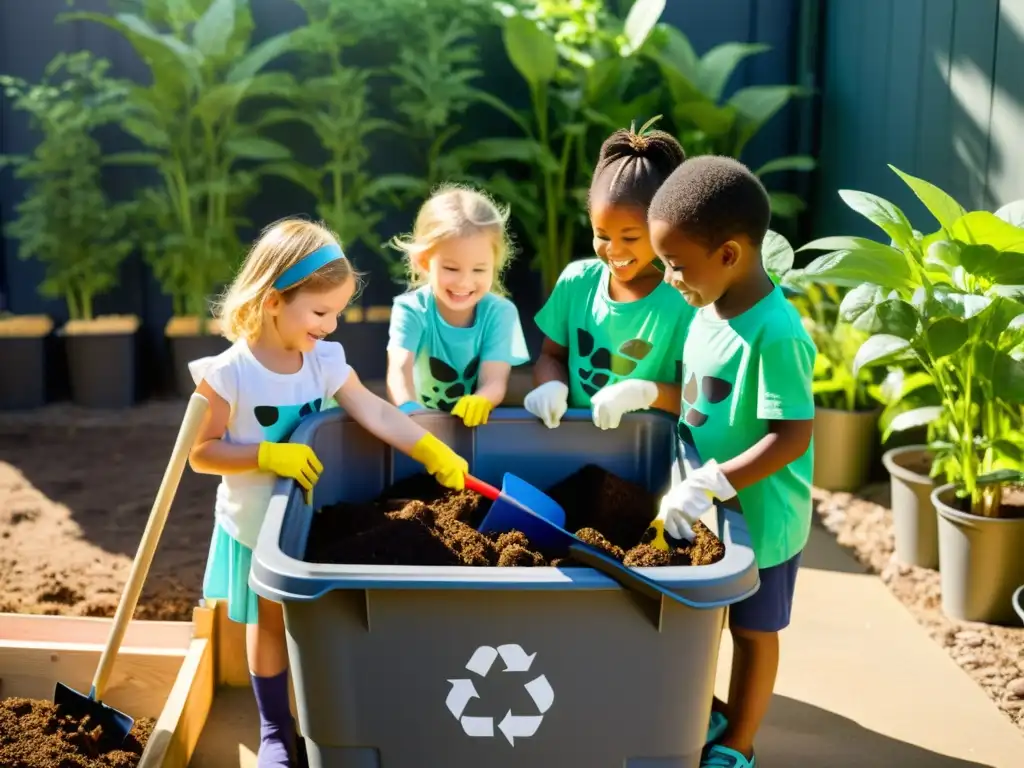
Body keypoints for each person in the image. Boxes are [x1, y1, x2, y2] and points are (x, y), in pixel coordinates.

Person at [187, 218, 469, 768]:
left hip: (312, 521)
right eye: (320, 312)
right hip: (255, 526)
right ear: (273, 300)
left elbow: (374, 410)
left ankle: (338, 713)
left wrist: (430, 450)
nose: (332, 323)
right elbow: (201, 453)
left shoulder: (322, 361)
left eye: (337, 311)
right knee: (269, 623)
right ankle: (274, 729)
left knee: (322, 622)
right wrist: (267, 455)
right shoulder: (229, 374)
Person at [648, 156, 815, 768]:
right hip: (714, 508)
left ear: (728, 254)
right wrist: (647, 395)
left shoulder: (778, 333)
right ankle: (709, 710)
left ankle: (739, 744)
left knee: (753, 629)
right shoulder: (706, 309)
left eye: (676, 264)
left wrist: (713, 482)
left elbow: (791, 437)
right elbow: (697, 399)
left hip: (762, 518)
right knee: (707, 625)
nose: (668, 278)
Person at [523, 120, 694, 431]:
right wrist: (551, 385)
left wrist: (645, 393)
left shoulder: (685, 299)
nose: (613, 250)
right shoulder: (577, 282)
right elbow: (551, 356)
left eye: (629, 238)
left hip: (647, 447)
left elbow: (699, 398)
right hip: (574, 440)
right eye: (602, 235)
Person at [386, 185, 529, 426]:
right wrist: (411, 414)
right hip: (420, 425)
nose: (465, 282)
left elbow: (494, 381)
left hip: (476, 428)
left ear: (495, 264)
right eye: (451, 268)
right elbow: (399, 372)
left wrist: (482, 399)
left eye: (479, 269)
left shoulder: (501, 313)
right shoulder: (410, 309)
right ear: (423, 261)